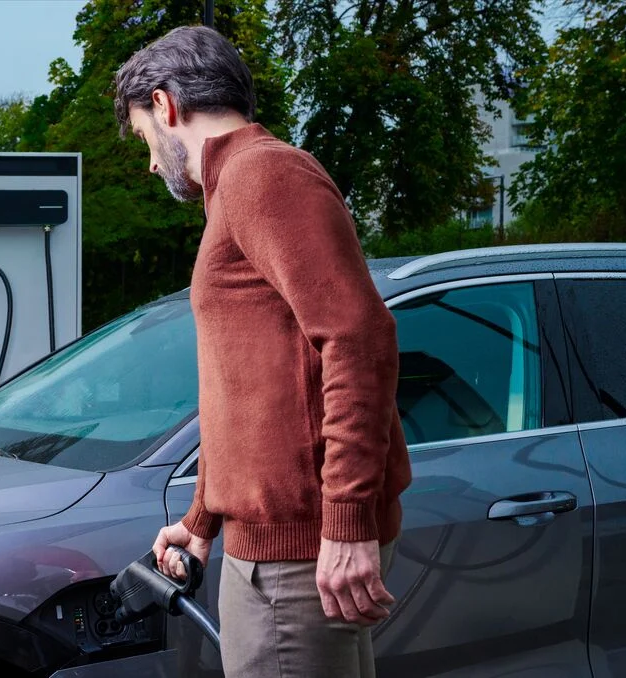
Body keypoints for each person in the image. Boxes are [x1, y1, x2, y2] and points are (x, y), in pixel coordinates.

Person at [113, 25, 413, 678]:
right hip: (282, 549)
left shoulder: (263, 176)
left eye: (143, 138)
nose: (150, 162)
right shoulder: (240, 187)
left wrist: (344, 523)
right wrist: (201, 519)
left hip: (295, 559)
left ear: (165, 107)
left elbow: (358, 338)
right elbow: (247, 386)